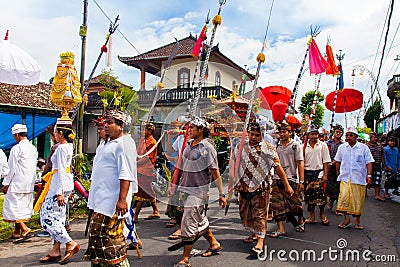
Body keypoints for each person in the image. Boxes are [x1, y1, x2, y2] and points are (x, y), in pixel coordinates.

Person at [229, 122, 293, 255]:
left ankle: (260, 241)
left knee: (260, 215)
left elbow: (278, 168)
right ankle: (253, 233)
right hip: (244, 187)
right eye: (251, 134)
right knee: (246, 214)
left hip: (261, 189)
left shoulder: (268, 149)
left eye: (257, 135)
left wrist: (287, 185)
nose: (253, 137)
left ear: (262, 135)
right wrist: (232, 179)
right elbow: (233, 161)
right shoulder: (241, 147)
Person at [83, 109, 136, 266]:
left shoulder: (124, 144)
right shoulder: (106, 144)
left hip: (112, 203)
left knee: (110, 242)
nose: (105, 126)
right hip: (99, 200)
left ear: (120, 126)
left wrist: (122, 200)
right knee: (96, 239)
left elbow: (126, 174)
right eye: (104, 123)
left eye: (109, 123)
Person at [173, 117, 226, 267]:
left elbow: (215, 172)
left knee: (188, 223)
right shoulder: (188, 144)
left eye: (192, 128)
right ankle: (214, 243)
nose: (189, 130)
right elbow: (181, 167)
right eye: (189, 127)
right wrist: (174, 185)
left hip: (198, 192)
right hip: (184, 188)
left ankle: (185, 258)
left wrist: (222, 194)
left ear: (201, 129)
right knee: (198, 220)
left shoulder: (207, 148)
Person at [39, 120, 80, 263]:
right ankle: (55, 250)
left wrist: (59, 192)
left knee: (46, 218)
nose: (54, 135)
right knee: (58, 218)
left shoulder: (62, 148)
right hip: (61, 183)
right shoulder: (68, 146)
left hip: (59, 185)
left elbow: (62, 170)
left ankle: (69, 243)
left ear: (61, 134)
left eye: (56, 133)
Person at [1, 124, 38, 241]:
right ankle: (17, 231)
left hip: (17, 181)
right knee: (20, 206)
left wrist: (6, 183)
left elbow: (11, 168)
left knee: (11, 206)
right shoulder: (33, 148)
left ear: (17, 135)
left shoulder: (16, 149)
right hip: (29, 181)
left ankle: (24, 228)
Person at [269, 121, 304, 238]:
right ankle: (280, 228)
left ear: (290, 133)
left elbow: (300, 163)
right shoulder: (276, 146)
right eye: (280, 132)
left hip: (292, 178)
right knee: (277, 204)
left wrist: (301, 180)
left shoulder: (295, 146)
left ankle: (300, 219)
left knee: (296, 204)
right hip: (277, 178)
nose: (282, 134)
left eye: (284, 132)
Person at [335, 127, 374, 230]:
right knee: (343, 199)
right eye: (347, 135)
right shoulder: (342, 147)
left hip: (359, 179)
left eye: (351, 135)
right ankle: (346, 219)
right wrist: (338, 174)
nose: (348, 137)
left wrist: (369, 176)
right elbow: (338, 161)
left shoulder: (363, 148)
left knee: (357, 201)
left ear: (356, 137)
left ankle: (357, 221)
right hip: (345, 178)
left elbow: (369, 162)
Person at [303, 125, 331, 225]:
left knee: (321, 198)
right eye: (312, 134)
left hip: (319, 173)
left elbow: (326, 161)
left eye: (316, 134)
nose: (314, 136)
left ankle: (322, 214)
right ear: (308, 135)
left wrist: (325, 175)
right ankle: (312, 216)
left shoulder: (323, 145)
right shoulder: (303, 146)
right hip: (307, 173)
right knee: (309, 198)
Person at [133, 122, 160, 222]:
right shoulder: (142, 140)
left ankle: (135, 216)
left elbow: (147, 157)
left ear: (150, 131)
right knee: (148, 190)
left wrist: (135, 162)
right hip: (139, 168)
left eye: (145, 129)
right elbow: (138, 152)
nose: (143, 131)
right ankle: (156, 211)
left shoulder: (152, 142)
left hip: (146, 169)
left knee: (142, 192)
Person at [325, 124, 344, 211]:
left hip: (340, 167)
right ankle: (331, 201)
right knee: (330, 186)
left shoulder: (343, 145)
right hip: (329, 167)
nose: (338, 134)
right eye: (337, 132)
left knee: (339, 186)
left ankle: (338, 206)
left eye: (340, 132)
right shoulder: (328, 143)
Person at [366, 132, 385, 201]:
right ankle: (364, 193)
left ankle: (377, 195)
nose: (375, 139)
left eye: (376, 137)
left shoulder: (380, 146)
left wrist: (384, 165)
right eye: (373, 137)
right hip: (368, 165)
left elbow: (382, 156)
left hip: (377, 165)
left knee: (377, 180)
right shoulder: (366, 146)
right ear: (370, 138)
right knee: (366, 180)